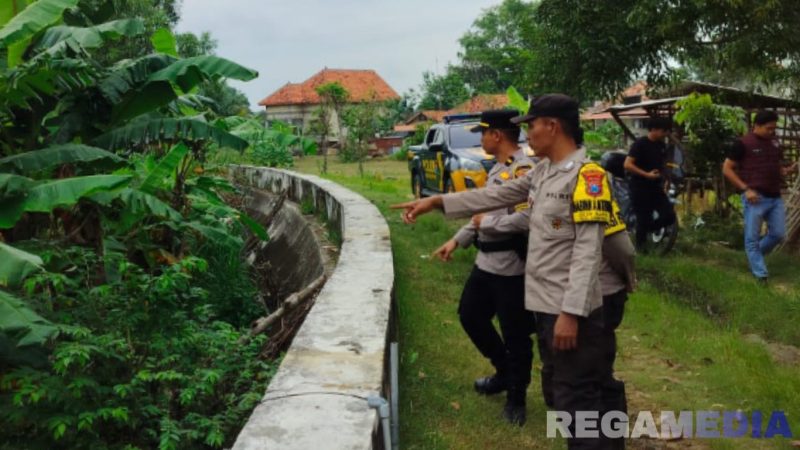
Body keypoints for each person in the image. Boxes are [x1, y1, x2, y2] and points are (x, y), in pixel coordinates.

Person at [393, 94, 624, 449]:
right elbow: (492, 198)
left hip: (568, 306)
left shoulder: (586, 177)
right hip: (548, 303)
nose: (527, 135)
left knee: (576, 398)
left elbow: (587, 251)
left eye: (532, 126)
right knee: (575, 391)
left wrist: (571, 313)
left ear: (552, 126)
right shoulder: (544, 172)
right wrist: (437, 202)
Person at [432, 110, 536, 425]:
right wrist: (457, 240)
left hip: (511, 266)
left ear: (497, 135)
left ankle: (517, 397)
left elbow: (525, 219)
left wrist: (485, 223)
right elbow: (482, 211)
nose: (481, 140)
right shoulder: (498, 169)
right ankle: (504, 371)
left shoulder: (523, 171)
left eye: (483, 134)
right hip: (486, 262)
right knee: (470, 315)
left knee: (515, 333)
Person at [722, 110, 797, 284]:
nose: (772, 131)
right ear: (757, 125)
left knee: (778, 234)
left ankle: (754, 257)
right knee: (752, 238)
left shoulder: (775, 142)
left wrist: (785, 171)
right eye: (769, 128)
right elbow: (726, 169)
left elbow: (775, 165)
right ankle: (761, 275)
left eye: (774, 128)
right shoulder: (743, 143)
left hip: (775, 196)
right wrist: (745, 189)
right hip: (755, 197)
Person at [623, 117, 677, 250]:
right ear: (653, 129)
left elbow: (663, 165)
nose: (665, 134)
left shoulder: (661, 145)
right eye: (664, 131)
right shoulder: (640, 144)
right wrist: (646, 174)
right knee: (643, 217)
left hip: (655, 186)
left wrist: (666, 180)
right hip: (639, 186)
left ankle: (649, 229)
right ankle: (641, 248)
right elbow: (627, 164)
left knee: (669, 215)